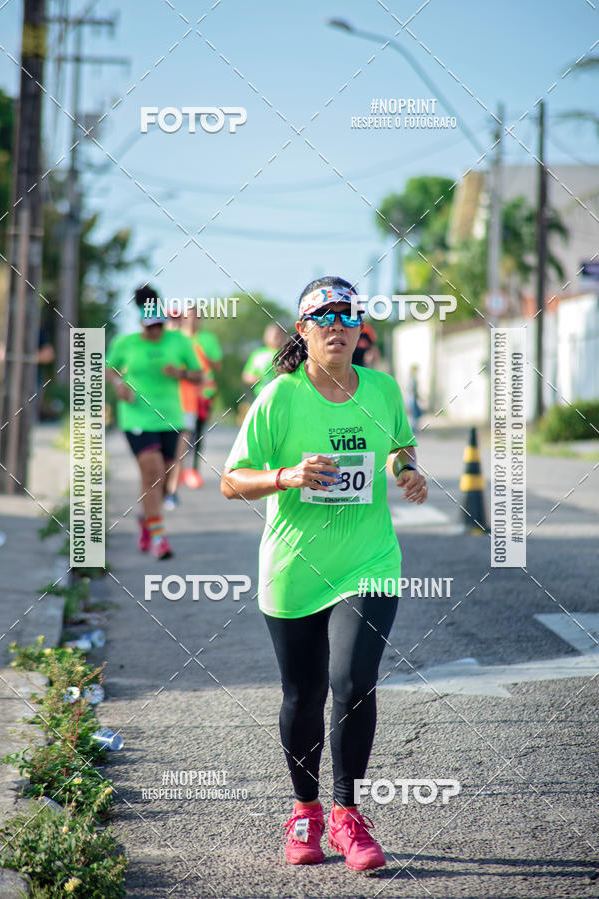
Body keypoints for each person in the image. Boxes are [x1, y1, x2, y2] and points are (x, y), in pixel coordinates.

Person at [221, 275, 428, 872]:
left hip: (370, 562)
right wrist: (287, 476)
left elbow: (399, 448)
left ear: (361, 330)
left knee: (354, 679)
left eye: (347, 317)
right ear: (303, 332)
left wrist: (406, 469)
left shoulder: (383, 389)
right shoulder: (279, 397)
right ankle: (306, 808)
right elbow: (232, 480)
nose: (337, 327)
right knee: (303, 694)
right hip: (294, 567)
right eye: (324, 318)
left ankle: (346, 815)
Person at [105, 286, 203, 559]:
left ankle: (147, 519)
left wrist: (180, 372)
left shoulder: (178, 342)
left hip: (170, 417)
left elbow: (199, 375)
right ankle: (160, 538)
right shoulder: (126, 343)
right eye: (151, 327)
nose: (156, 331)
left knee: (164, 479)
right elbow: (108, 367)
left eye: (160, 325)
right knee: (151, 471)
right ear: (141, 324)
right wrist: (118, 384)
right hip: (136, 416)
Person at [165, 305, 222, 504]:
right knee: (168, 449)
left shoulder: (200, 341)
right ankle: (169, 484)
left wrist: (183, 372)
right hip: (165, 403)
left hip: (195, 398)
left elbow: (206, 370)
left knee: (188, 441)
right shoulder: (166, 342)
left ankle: (177, 486)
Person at [241, 324, 286, 399]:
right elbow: (246, 375)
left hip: (281, 395)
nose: (276, 337)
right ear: (266, 336)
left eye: (279, 334)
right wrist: (256, 378)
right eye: (273, 335)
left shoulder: (287, 353)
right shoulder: (257, 354)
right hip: (260, 396)